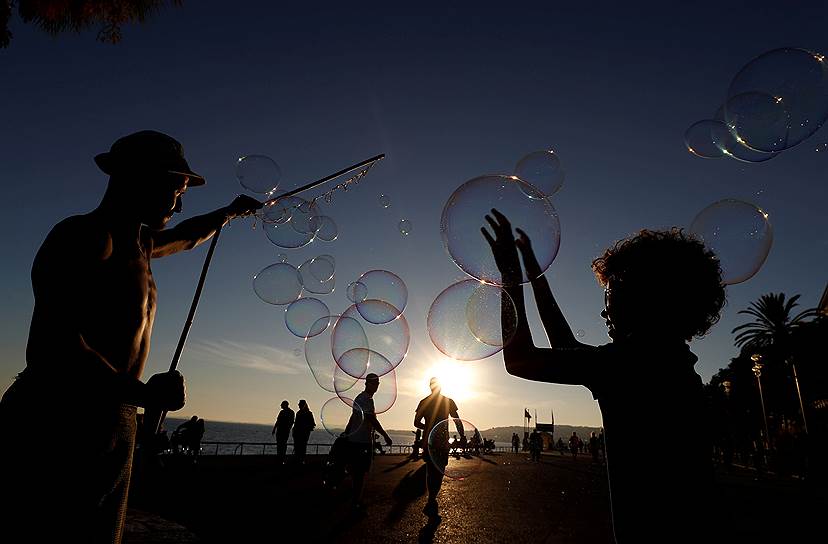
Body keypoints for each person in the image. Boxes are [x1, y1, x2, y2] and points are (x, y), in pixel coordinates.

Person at [0, 130, 261, 543]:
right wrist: (143, 395)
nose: (179, 203)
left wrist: (228, 213)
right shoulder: (84, 237)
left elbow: (187, 234)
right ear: (138, 179)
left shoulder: (140, 243)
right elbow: (54, 345)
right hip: (58, 421)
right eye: (174, 190)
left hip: (112, 418)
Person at [484, 211, 724, 542]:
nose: (604, 311)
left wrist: (510, 274)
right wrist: (534, 276)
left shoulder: (631, 365)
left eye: (611, 297)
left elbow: (520, 360)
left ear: (646, 298)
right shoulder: (671, 364)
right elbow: (568, 347)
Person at [414, 376, 463, 520]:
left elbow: (416, 423)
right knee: (439, 470)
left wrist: (428, 427)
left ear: (430, 387)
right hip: (441, 442)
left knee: (431, 470)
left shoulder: (424, 402)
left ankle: (431, 498)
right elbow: (457, 419)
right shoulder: (448, 401)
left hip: (429, 441)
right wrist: (462, 435)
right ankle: (432, 497)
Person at [344, 373, 392, 512]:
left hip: (356, 440)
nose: (376, 386)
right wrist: (385, 435)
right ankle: (356, 501)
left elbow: (353, 418)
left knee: (357, 472)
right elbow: (371, 419)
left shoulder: (361, 398)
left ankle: (355, 499)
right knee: (360, 472)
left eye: (377, 383)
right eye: (374, 383)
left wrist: (347, 433)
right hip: (361, 441)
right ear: (367, 383)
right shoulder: (366, 399)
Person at [292, 399, 315, 464]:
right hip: (302, 433)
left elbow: (312, 424)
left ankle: (299, 459)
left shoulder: (300, 413)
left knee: (299, 447)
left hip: (301, 433)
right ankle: (300, 459)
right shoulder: (305, 413)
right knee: (301, 446)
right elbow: (312, 424)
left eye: (300, 404)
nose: (299, 405)